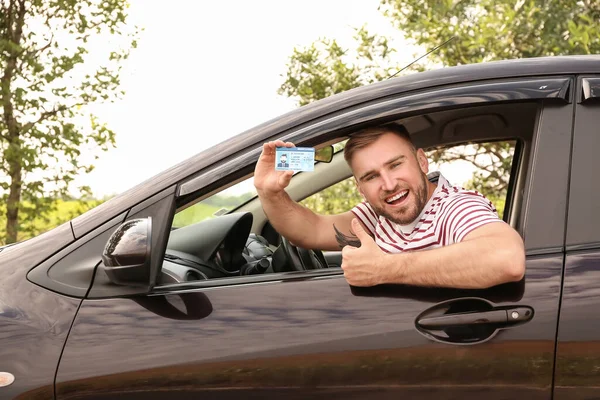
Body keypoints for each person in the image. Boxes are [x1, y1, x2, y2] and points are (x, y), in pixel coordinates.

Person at [254, 124, 525, 289]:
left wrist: (383, 268)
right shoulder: (379, 215)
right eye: (371, 176)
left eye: (396, 165)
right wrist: (269, 192)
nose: (389, 183)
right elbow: (311, 230)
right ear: (360, 188)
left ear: (421, 161)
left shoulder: (454, 207)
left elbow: (506, 258)